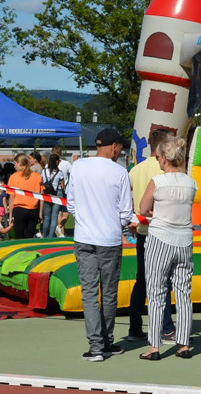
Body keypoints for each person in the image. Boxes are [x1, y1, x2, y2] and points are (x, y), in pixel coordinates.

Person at [67, 128, 136, 362]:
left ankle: (95, 346)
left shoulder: (78, 166)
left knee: (89, 293)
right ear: (114, 146)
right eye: (120, 148)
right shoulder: (119, 172)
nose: (120, 152)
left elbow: (71, 204)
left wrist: (86, 220)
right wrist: (113, 223)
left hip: (84, 237)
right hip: (109, 239)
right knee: (108, 293)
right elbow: (126, 212)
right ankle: (106, 341)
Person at [138, 137, 197, 360]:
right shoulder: (191, 183)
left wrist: (155, 212)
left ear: (163, 158)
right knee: (183, 294)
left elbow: (143, 208)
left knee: (156, 293)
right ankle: (183, 344)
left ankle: (154, 346)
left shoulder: (158, 181)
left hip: (160, 238)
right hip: (185, 240)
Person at [126, 129, 176, 345]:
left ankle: (135, 326)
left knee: (142, 281)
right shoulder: (166, 169)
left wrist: (133, 221)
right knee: (163, 281)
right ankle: (166, 327)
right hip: (163, 230)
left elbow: (128, 200)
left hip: (144, 232)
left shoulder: (135, 171)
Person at [7, 154, 43, 239]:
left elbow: (11, 197)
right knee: (29, 238)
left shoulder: (14, 177)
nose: (14, 166)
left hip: (20, 210)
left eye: (15, 163)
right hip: (33, 211)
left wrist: (10, 215)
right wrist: (40, 213)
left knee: (19, 237)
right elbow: (41, 197)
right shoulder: (37, 176)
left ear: (20, 163)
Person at [40, 153, 66, 238]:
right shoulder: (59, 172)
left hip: (47, 194)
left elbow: (41, 182)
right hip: (57, 193)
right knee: (54, 217)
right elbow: (62, 186)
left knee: (47, 217)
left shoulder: (44, 171)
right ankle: (51, 236)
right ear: (56, 161)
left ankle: (44, 235)